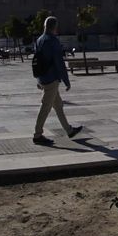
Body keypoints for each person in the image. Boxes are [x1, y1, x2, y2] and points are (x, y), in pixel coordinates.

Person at [33, 16, 83, 144]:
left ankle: (69, 130)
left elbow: (37, 61)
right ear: (54, 27)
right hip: (51, 79)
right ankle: (38, 135)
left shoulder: (39, 40)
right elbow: (59, 63)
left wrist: (38, 79)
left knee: (58, 106)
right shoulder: (53, 41)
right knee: (46, 107)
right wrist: (66, 80)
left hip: (44, 78)